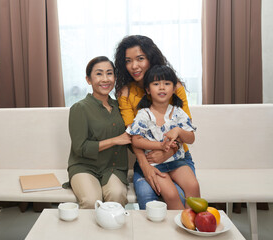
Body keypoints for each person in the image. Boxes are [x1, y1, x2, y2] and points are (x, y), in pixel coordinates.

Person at [114, 35, 195, 209]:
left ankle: (190, 230)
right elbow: (132, 134)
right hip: (147, 158)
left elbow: (184, 127)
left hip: (179, 156)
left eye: (140, 58)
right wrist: (146, 166)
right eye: (128, 61)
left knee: (183, 194)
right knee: (147, 197)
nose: (134, 66)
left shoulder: (174, 87)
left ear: (151, 58)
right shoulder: (126, 93)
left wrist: (167, 152)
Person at [126, 65, 200, 209]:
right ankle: (180, 223)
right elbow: (136, 140)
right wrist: (160, 146)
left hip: (177, 161)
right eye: (156, 84)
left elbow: (191, 138)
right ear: (148, 89)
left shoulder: (178, 112)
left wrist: (178, 131)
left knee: (193, 185)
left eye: (167, 84)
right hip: (155, 165)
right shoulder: (144, 114)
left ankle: (192, 222)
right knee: (171, 194)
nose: (161, 88)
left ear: (173, 89)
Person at [67, 56, 132, 209]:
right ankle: (88, 233)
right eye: (99, 74)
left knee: (117, 195)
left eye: (109, 73)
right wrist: (115, 140)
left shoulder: (120, 107)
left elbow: (131, 138)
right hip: (84, 167)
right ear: (88, 80)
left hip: (114, 168)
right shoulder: (79, 108)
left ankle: (112, 231)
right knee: (91, 201)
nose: (105, 79)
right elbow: (80, 148)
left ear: (115, 78)